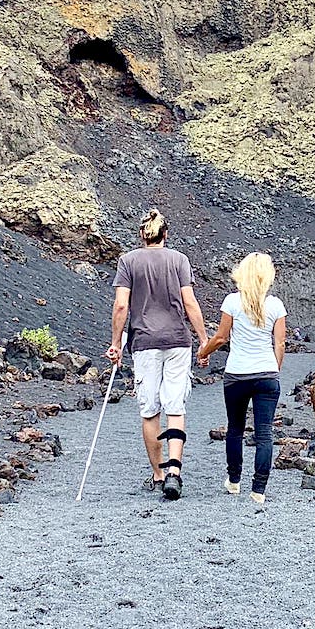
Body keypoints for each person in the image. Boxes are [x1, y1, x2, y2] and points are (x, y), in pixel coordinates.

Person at [107, 209, 207, 500]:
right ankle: (175, 471)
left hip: (145, 342)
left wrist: (116, 343)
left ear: (142, 235)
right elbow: (190, 302)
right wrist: (203, 339)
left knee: (150, 409)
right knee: (175, 406)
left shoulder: (128, 261)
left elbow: (121, 307)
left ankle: (159, 473)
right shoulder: (179, 260)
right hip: (177, 341)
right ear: (166, 234)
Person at [197, 252, 287, 504]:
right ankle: (258, 489)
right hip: (267, 375)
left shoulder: (232, 302)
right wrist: (274, 369)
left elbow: (221, 338)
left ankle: (234, 481)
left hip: (237, 374)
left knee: (235, 428)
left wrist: (203, 352)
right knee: (265, 433)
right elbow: (279, 343)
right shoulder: (276, 305)